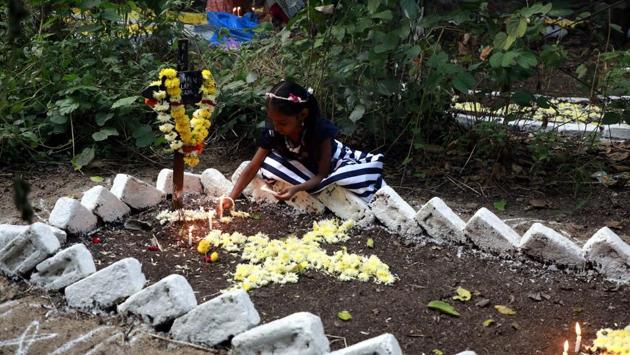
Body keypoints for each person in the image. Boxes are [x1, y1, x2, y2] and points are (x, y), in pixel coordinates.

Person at [219, 81, 385, 212]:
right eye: (273, 121)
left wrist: (296, 188)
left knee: (348, 177)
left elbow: (322, 174)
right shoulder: (273, 132)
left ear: (302, 115)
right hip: (298, 163)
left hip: (328, 165)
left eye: (282, 123)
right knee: (268, 165)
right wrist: (231, 197)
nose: (276, 127)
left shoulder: (319, 131)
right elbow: (254, 165)